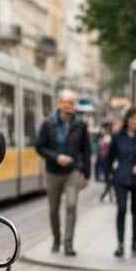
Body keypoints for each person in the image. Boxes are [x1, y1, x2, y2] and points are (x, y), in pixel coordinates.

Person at [34, 89, 91, 255]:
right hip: (53, 172)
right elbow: (39, 146)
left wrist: (86, 174)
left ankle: (68, 243)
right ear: (59, 103)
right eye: (66, 102)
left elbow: (86, 150)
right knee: (53, 209)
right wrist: (55, 157)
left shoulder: (80, 125)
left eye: (72, 103)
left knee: (71, 205)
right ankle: (56, 239)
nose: (68, 106)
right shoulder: (48, 123)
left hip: (72, 171)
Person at [106, 105, 136, 257]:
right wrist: (110, 175)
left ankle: (134, 244)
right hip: (121, 177)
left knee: (135, 211)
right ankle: (120, 244)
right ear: (129, 119)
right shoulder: (117, 136)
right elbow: (110, 157)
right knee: (121, 209)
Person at [94, 120, 114, 202]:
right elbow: (98, 147)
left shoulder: (113, 136)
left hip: (111, 160)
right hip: (103, 159)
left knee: (110, 179)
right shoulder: (101, 135)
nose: (108, 129)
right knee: (107, 179)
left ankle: (106, 194)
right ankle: (108, 194)